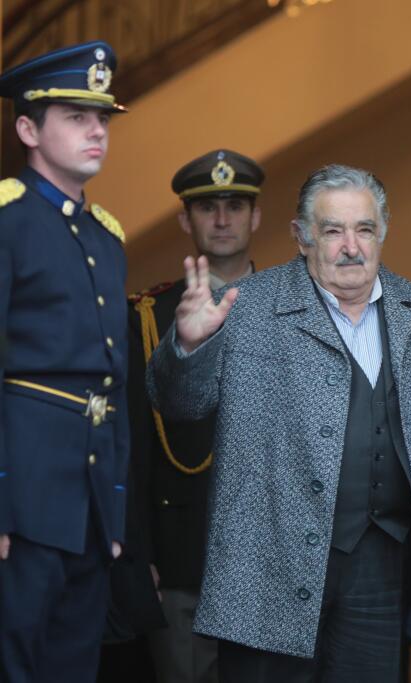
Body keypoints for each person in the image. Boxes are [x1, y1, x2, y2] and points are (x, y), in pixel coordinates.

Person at [146, 164, 411, 682]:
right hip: (269, 559)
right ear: (301, 237)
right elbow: (178, 403)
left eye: (364, 229)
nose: (351, 247)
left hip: (379, 559)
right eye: (333, 231)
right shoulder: (249, 305)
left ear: (382, 233)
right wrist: (188, 345)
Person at [0, 41, 131, 681]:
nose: (97, 130)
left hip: (88, 502)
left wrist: (115, 504)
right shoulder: (8, 220)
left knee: (73, 667)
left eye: (102, 117)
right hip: (22, 495)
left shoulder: (107, 236)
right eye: (76, 116)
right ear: (28, 128)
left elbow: (116, 387)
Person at [128, 149, 265, 683]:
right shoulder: (147, 317)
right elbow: (132, 446)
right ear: (186, 219)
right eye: (209, 208)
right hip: (181, 556)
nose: (224, 219)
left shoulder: (294, 308)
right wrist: (139, 553)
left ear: (257, 216)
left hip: (269, 558)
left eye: (236, 205)